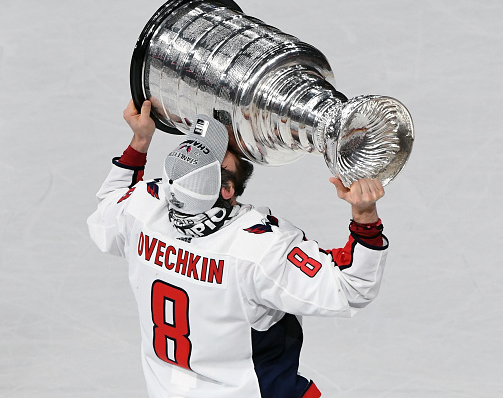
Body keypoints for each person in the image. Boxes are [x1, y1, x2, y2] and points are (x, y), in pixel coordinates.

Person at [87, 100, 389, 398]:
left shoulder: (143, 212)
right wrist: (364, 215)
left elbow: (107, 214)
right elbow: (351, 288)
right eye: (224, 153)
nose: (233, 142)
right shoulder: (258, 249)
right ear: (227, 189)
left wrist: (140, 141)